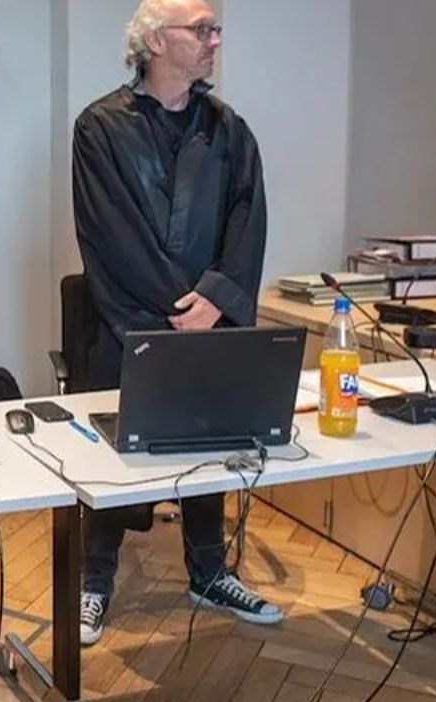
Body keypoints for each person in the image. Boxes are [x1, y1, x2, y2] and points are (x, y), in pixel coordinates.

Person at [72, 0, 277, 645]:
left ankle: (209, 572)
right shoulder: (100, 127)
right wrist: (176, 310)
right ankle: (92, 582)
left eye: (217, 29)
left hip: (207, 322)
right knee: (115, 459)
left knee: (207, 447)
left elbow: (249, 216)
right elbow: (110, 232)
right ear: (156, 41)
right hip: (128, 322)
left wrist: (215, 299)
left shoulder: (228, 128)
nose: (215, 40)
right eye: (202, 29)